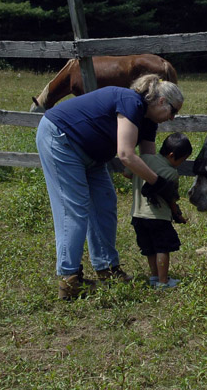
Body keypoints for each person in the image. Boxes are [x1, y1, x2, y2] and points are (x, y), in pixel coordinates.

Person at [36, 74, 183, 300]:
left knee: (105, 203)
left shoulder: (148, 122)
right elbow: (125, 155)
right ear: (162, 101)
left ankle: (107, 268)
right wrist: (157, 183)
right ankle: (69, 279)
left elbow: (148, 161)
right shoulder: (131, 101)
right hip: (61, 138)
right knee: (74, 209)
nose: (172, 118)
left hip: (92, 155)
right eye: (173, 111)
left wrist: (163, 192)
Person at [125, 132, 191, 289]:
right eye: (182, 160)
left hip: (138, 215)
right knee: (162, 248)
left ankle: (154, 277)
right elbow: (171, 199)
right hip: (158, 218)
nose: (181, 164)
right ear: (172, 155)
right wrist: (178, 215)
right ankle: (163, 282)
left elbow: (127, 173)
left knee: (149, 248)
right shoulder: (172, 174)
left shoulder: (145, 159)